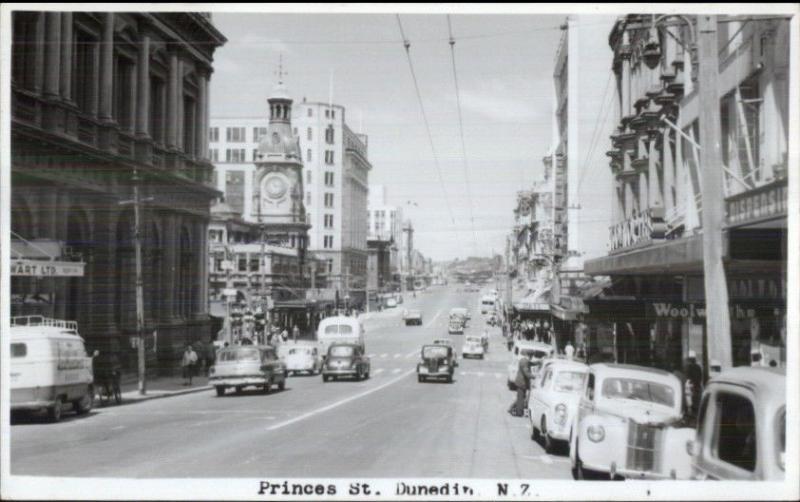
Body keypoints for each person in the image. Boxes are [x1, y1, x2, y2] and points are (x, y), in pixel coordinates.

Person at [683, 350, 703, 417]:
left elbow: (687, 379)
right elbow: (700, 378)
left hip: (691, 387)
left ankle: (691, 414)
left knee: (690, 403)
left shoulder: (687, 367)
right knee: (696, 403)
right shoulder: (698, 367)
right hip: (696, 387)